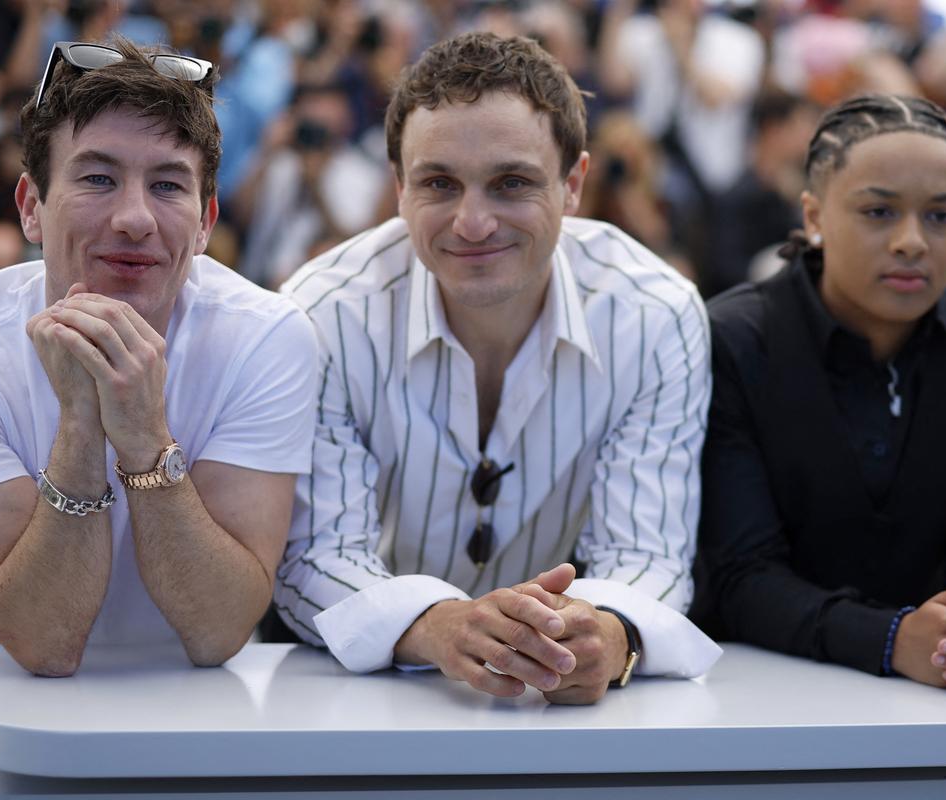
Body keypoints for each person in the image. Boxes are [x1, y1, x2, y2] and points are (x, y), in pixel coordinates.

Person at [0, 38, 318, 730]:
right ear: (31, 206)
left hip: (198, 696)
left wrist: (144, 437)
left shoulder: (268, 338)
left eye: (169, 185)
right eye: (97, 179)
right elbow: (42, 643)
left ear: (205, 223)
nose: (135, 218)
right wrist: (82, 424)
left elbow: (221, 628)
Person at [278, 32, 721, 706]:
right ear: (399, 188)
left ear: (573, 184)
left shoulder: (656, 313)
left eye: (511, 182)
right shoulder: (322, 312)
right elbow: (314, 559)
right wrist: (438, 626)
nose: (473, 221)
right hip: (368, 709)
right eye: (439, 183)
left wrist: (603, 632)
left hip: (564, 716)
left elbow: (649, 558)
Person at [694, 94, 946, 691]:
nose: (912, 241)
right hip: (755, 689)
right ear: (814, 217)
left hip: (942, 697)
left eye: (941, 215)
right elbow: (740, 575)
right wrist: (892, 639)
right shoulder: (734, 338)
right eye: (879, 212)